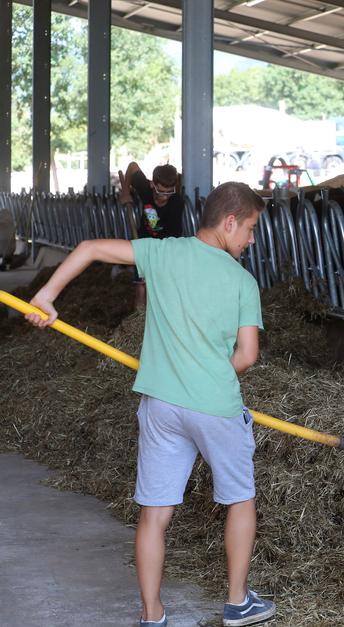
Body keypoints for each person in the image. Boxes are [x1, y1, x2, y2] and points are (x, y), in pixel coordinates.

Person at [26, 182, 276, 627]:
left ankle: (152, 615)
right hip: (216, 406)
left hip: (160, 404)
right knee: (239, 500)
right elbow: (249, 356)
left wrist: (46, 296)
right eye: (251, 229)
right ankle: (238, 602)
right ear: (231, 221)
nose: (252, 241)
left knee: (155, 514)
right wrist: (210, 375)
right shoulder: (242, 281)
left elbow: (88, 248)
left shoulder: (163, 253)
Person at [119, 162, 185, 309]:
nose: (165, 197)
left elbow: (171, 240)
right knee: (140, 288)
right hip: (142, 245)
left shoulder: (176, 203)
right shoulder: (145, 189)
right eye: (160, 191)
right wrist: (125, 191)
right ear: (152, 184)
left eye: (169, 192)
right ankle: (138, 323)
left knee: (156, 289)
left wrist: (154, 267)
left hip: (164, 249)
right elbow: (132, 166)